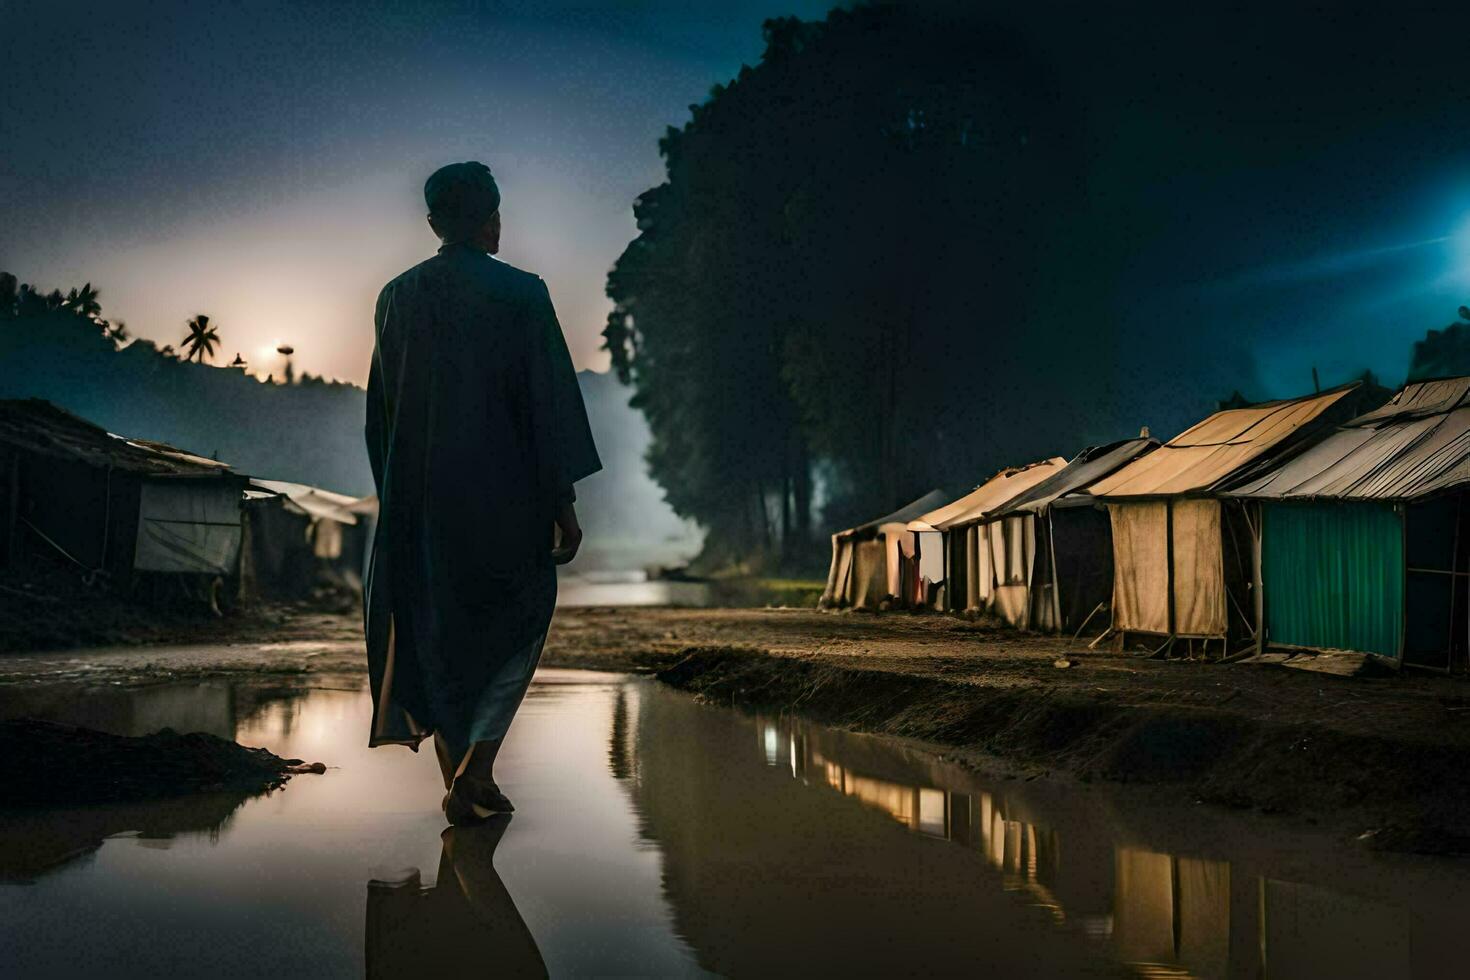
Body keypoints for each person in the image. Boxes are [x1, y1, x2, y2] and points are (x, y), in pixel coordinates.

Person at [364, 161, 601, 825]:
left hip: (421, 504)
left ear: (435, 225)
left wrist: (395, 498)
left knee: (437, 637)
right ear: (490, 218)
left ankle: (462, 784)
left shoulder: (395, 297)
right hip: (504, 502)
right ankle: (478, 769)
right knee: (524, 615)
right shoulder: (522, 293)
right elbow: (546, 404)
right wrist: (563, 504)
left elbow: (382, 413)